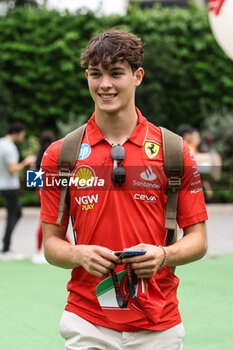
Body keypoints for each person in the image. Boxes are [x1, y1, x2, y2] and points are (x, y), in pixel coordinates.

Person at [41, 29, 208, 350]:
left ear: (138, 76)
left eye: (116, 73)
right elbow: (52, 244)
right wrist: (78, 253)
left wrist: (163, 255)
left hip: (158, 323)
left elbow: (198, 241)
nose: (104, 84)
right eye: (95, 74)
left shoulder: (174, 150)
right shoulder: (60, 155)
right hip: (87, 320)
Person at [0, 121, 35, 260]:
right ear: (16, 133)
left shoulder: (2, 142)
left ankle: (6, 245)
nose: (22, 137)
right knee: (13, 215)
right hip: (10, 186)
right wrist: (26, 162)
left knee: (16, 213)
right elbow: (12, 169)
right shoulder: (9, 147)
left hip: (4, 185)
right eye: (22, 135)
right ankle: (6, 247)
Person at [31, 130, 55, 264]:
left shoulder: (39, 155)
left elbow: (35, 176)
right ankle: (40, 249)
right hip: (51, 188)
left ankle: (39, 249)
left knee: (46, 218)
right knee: (49, 220)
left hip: (40, 188)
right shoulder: (53, 153)